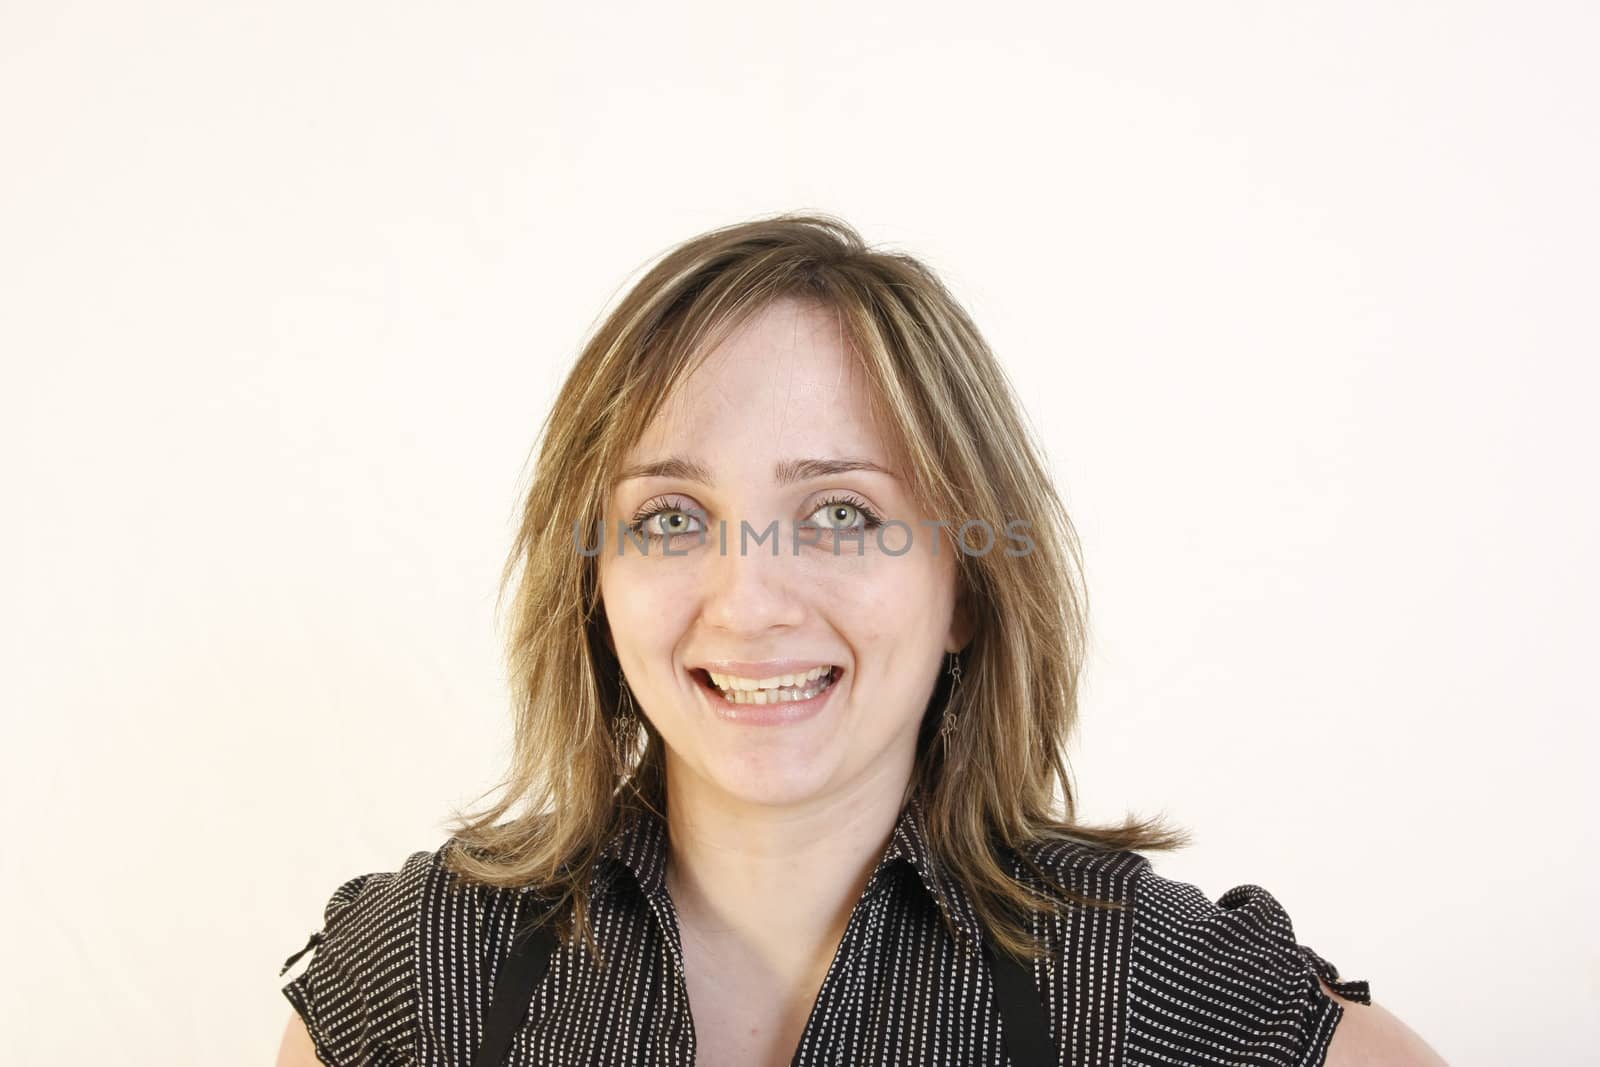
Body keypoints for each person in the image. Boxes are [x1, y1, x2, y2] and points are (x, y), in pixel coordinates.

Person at [276, 214, 1445, 1066]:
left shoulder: (1148, 986)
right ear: (594, 584)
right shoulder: (421, 977)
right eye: (669, 517)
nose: (750, 602)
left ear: (968, 589)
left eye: (842, 513)